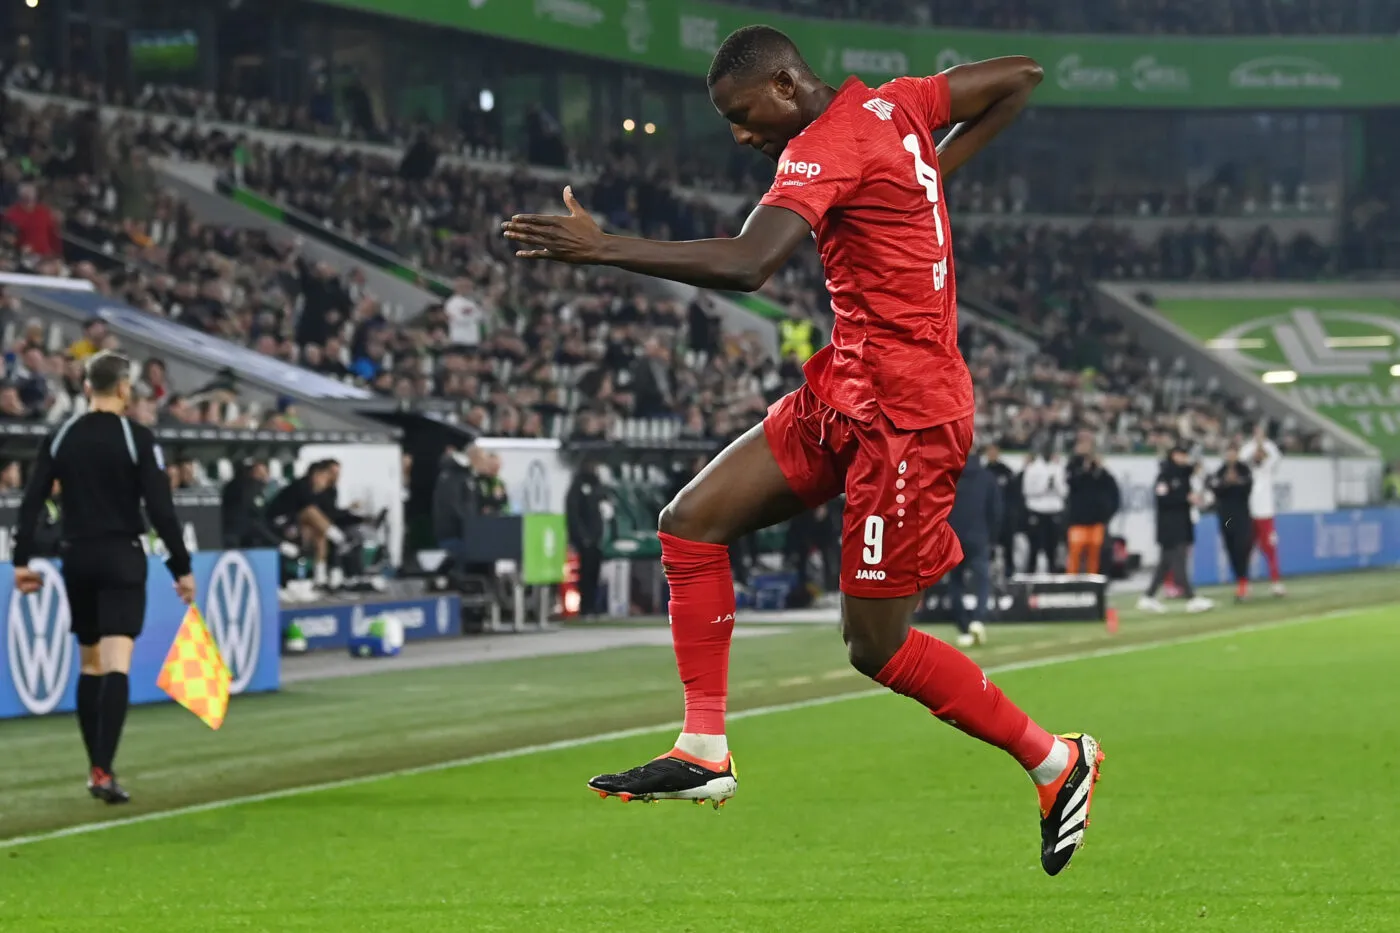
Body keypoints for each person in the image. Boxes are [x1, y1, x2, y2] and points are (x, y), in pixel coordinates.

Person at [501, 25, 1102, 875]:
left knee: (877, 647)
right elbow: (1021, 74)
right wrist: (924, 180)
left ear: (786, 85)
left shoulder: (824, 146)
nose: (741, 136)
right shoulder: (898, 106)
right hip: (844, 390)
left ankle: (1054, 757)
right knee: (689, 522)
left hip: (906, 416)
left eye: (744, 116)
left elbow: (752, 263)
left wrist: (605, 249)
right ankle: (703, 748)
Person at [11, 351, 195, 804]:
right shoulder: (137, 438)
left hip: (77, 557)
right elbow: (160, 508)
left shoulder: (62, 436)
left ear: (87, 386)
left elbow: (32, 500)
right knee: (116, 663)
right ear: (125, 387)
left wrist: (21, 559)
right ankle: (103, 770)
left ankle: (96, 767)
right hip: (120, 557)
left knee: (89, 664)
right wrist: (181, 565)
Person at [1138, 444, 1214, 614]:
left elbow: (1199, 476)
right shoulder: (1165, 476)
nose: (1184, 458)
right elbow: (1163, 500)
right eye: (1181, 455)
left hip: (1182, 524)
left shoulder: (1185, 475)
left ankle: (1148, 596)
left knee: (1165, 564)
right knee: (1179, 562)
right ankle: (1191, 597)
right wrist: (1185, 498)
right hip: (1170, 526)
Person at [946, 449, 1002, 648]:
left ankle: (963, 627)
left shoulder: (950, 477)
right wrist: (993, 540)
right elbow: (995, 511)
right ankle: (978, 620)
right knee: (983, 582)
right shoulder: (987, 478)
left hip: (952, 538)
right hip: (979, 537)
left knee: (955, 583)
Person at [1239, 423, 1285, 596]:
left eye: (1261, 453)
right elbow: (1242, 457)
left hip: (1266, 514)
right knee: (1246, 550)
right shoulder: (1247, 470)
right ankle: (1244, 585)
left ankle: (1276, 583)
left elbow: (1276, 456)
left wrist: (1263, 442)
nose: (1258, 455)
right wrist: (1255, 442)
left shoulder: (1268, 470)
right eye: (1256, 453)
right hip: (1248, 514)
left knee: (1270, 550)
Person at [1065, 438, 1120, 575]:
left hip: (1097, 521)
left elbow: (1113, 494)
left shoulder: (1102, 473)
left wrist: (1107, 514)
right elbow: (1071, 485)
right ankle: (1070, 584)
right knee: (1075, 555)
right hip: (1077, 521)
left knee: (1094, 556)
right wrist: (1084, 469)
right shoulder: (1072, 468)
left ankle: (1092, 585)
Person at [1207, 445, 1254, 602]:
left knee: (1242, 548)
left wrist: (1236, 482)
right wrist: (1226, 483)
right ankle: (1240, 581)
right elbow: (1214, 488)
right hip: (1226, 518)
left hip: (1241, 516)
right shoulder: (1220, 471)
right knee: (1231, 549)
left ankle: (1243, 583)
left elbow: (1247, 488)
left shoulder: (1244, 470)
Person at [565, 458, 608, 617]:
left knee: (595, 573)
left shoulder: (598, 486)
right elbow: (574, 514)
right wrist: (582, 536)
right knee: (584, 574)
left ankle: (593, 605)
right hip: (585, 539)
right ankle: (584, 606)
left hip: (597, 538)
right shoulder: (577, 487)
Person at [1021, 446, 1066, 573]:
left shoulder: (1058, 468)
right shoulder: (1032, 468)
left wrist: (1055, 484)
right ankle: (1030, 574)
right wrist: (1044, 486)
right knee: (1034, 548)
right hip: (1037, 509)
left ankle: (1052, 575)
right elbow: (1027, 490)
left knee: (1052, 548)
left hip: (1054, 510)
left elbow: (1064, 491)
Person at [982, 443, 1020, 577]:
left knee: (1008, 547)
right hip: (989, 518)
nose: (992, 454)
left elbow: (1015, 495)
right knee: (988, 548)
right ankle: (988, 575)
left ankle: (1010, 573)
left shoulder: (1006, 471)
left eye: (994, 451)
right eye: (989, 451)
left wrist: (1012, 513)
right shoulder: (983, 472)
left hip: (1006, 517)